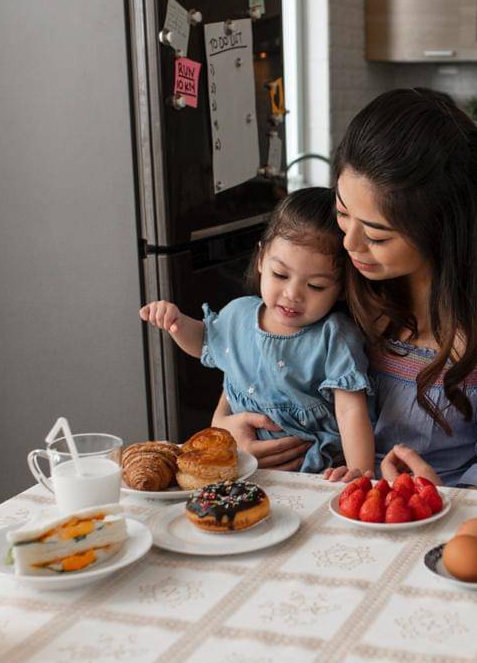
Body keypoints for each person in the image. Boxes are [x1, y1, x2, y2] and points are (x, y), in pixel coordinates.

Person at [222, 88, 477, 491]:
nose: (349, 244)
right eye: (343, 213)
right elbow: (255, 355)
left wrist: (439, 496)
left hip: (442, 508)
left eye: (378, 236)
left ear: (442, 230)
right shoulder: (336, 267)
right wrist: (227, 431)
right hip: (321, 494)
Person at [140, 187, 374, 476]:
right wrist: (176, 323)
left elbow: (351, 411)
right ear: (262, 259)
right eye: (280, 274)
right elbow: (203, 341)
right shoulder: (239, 313)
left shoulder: (334, 336)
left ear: (341, 288)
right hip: (242, 469)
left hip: (312, 474)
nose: (292, 294)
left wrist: (360, 474)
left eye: (315, 286)